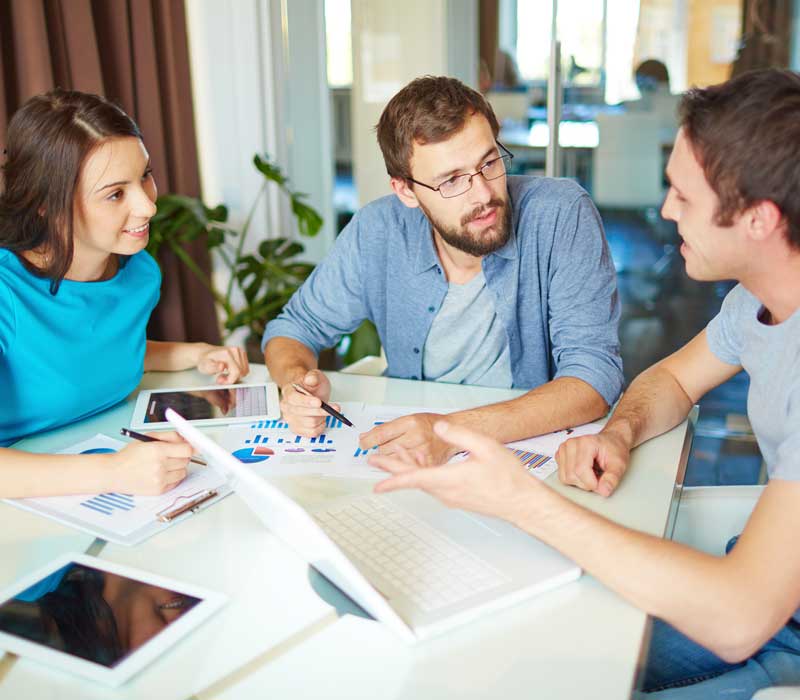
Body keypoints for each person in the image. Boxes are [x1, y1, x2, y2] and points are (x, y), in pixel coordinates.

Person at [370, 69, 800, 698]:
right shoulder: (758, 302)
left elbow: (737, 619)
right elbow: (675, 380)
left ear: (759, 219)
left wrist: (520, 500)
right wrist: (621, 432)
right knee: (511, 654)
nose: (663, 210)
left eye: (683, 196)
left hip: (771, 628)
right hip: (763, 583)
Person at [264, 76, 623, 465]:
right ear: (405, 191)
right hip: (415, 449)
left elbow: (593, 377)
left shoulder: (560, 213)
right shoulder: (377, 231)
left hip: (522, 447)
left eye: (489, 163)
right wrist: (296, 385)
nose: (483, 194)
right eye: (451, 181)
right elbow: (292, 330)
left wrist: (448, 431)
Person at [0, 89, 249, 498]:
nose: (148, 207)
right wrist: (111, 472)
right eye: (116, 193)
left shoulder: (138, 274)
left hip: (103, 472)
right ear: (47, 204)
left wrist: (193, 353)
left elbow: (92, 350)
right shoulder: (6, 292)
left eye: (145, 176)